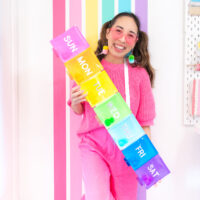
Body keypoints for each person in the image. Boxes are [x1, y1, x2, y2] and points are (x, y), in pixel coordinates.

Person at [67, 12, 156, 200]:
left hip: (128, 148)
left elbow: (144, 123)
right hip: (93, 144)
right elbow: (80, 110)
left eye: (130, 34)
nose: (123, 38)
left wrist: (148, 162)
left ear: (136, 41)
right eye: (118, 30)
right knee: (96, 196)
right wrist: (75, 101)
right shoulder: (89, 69)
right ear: (108, 32)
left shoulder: (140, 75)